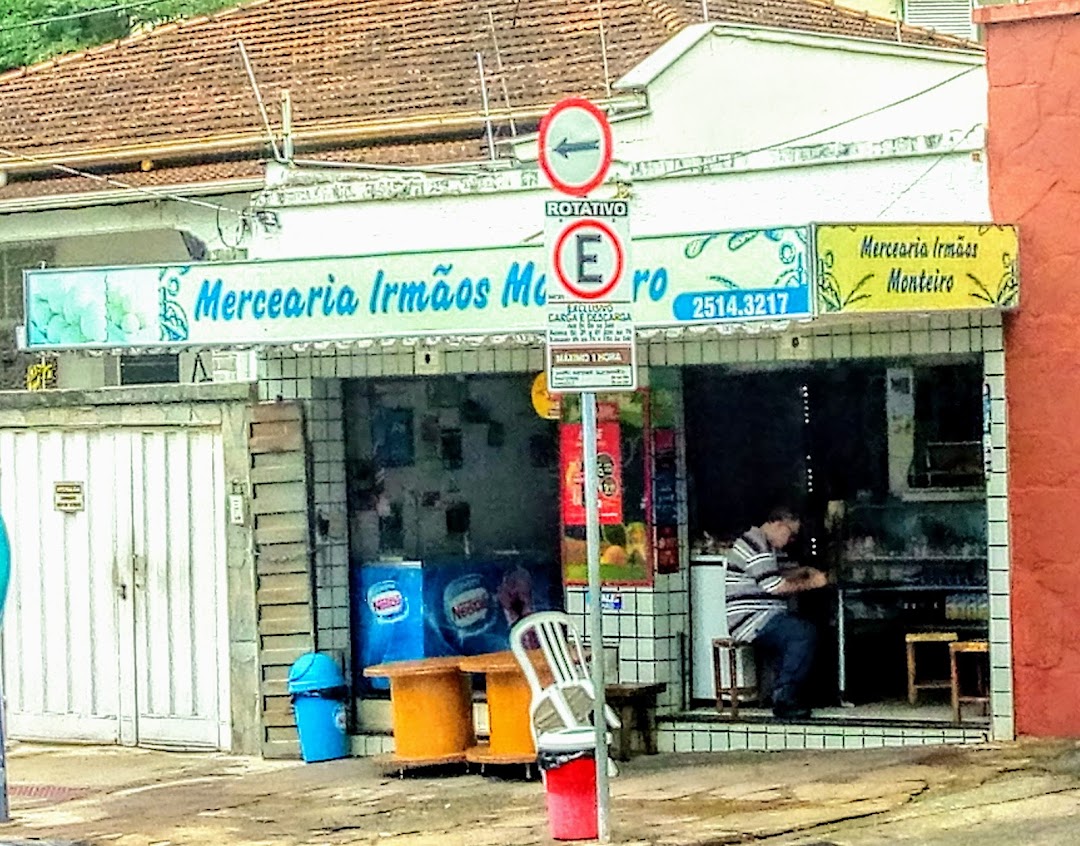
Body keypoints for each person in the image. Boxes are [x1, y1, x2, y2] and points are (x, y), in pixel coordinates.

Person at [725, 506, 827, 720]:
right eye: (791, 533)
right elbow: (774, 585)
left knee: (802, 628)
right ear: (779, 524)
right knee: (803, 633)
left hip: (765, 616)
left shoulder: (766, 547)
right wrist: (812, 583)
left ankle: (788, 692)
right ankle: (784, 699)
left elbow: (775, 573)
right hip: (752, 620)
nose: (792, 540)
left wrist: (802, 571)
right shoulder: (756, 543)